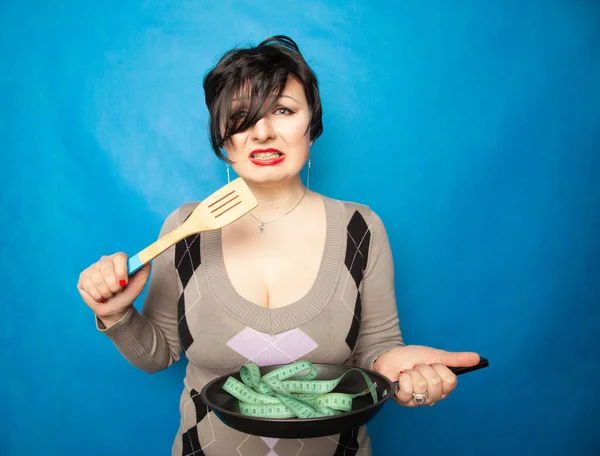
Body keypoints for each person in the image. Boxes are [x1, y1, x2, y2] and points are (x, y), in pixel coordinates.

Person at [77, 35, 480, 456]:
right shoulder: (184, 228)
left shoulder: (362, 228)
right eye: (242, 117)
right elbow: (157, 354)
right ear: (221, 138)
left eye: (283, 110)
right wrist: (116, 314)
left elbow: (375, 350)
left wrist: (392, 367)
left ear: (312, 126)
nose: (263, 131)